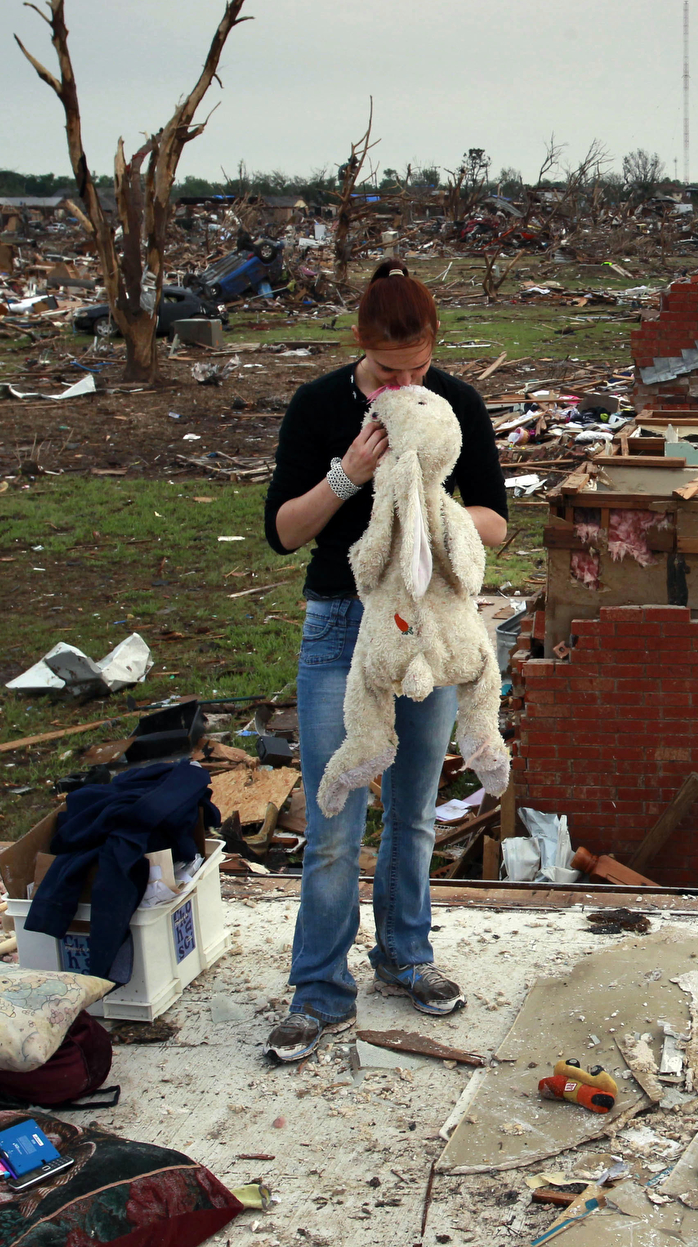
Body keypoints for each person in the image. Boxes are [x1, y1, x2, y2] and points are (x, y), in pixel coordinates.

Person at [259, 260, 508, 1062]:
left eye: (418, 368)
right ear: (359, 349)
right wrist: (350, 475)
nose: (403, 383)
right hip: (343, 625)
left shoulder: (455, 406)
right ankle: (318, 990)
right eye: (387, 372)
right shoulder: (318, 406)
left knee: (413, 812)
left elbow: (497, 522)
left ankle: (406, 957)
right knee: (336, 816)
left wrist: (434, 511)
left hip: (430, 626)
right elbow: (286, 530)